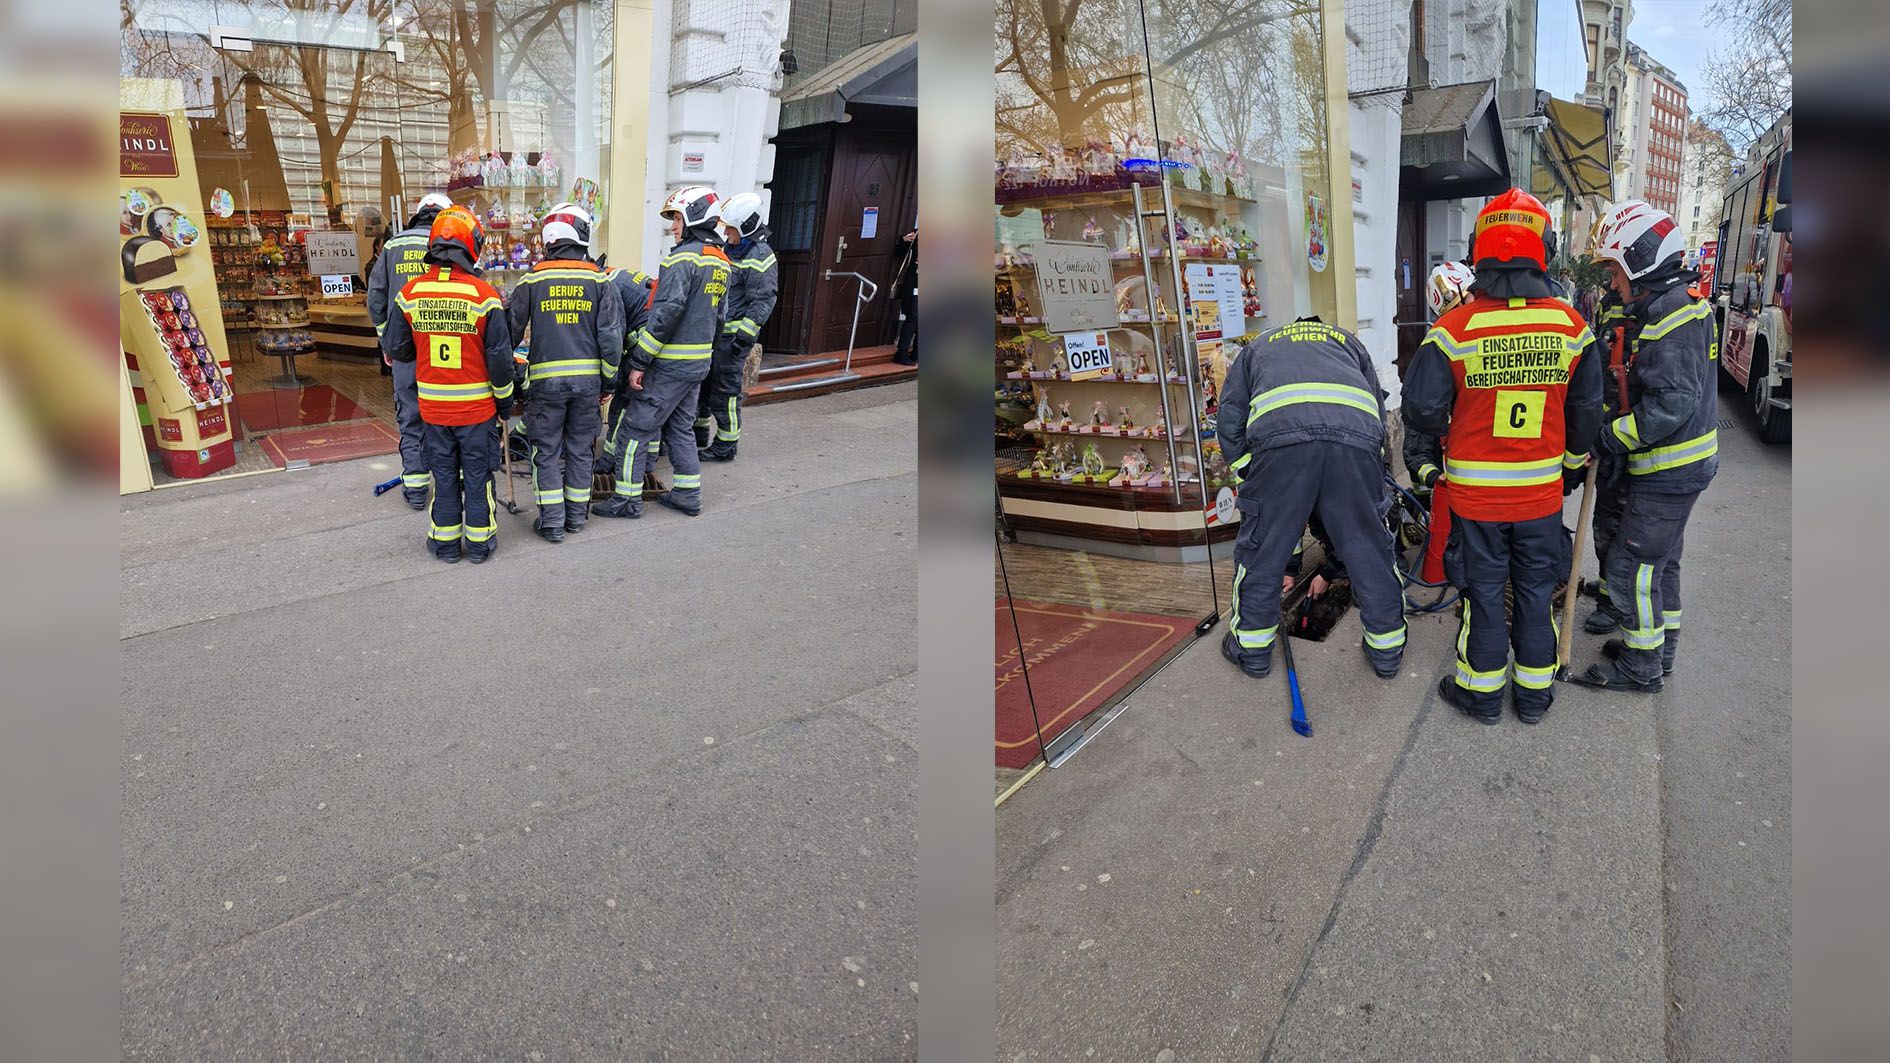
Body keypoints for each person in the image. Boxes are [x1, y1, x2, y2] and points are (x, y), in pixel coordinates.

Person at [1403, 188, 1603, 725]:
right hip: (1540, 498)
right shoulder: (1571, 327)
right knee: (1536, 594)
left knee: (1484, 594)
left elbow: (1420, 412)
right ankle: (1534, 698)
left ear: (1479, 252)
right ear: (1546, 249)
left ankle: (1482, 695)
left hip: (1475, 500)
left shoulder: (1452, 330)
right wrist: (1567, 469)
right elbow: (1587, 415)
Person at [1571, 200, 1719, 691]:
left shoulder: (1672, 315)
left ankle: (1640, 667)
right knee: (1662, 562)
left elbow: (1670, 406)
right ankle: (1658, 649)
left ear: (1641, 260)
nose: (1614, 284)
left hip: (1669, 470)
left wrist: (1608, 437)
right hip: (1681, 469)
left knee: (1632, 565)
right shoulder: (1673, 306)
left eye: (1616, 269)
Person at [1216, 316, 1408, 682]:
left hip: (1280, 444)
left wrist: (1249, 473)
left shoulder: (1258, 346)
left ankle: (1252, 652)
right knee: (1369, 547)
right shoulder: (1347, 342)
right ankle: (1387, 652)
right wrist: (1373, 472)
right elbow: (1375, 407)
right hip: (1354, 443)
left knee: (1262, 548)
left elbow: (1230, 418)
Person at [380, 206, 516, 564]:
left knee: (442, 477)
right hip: (476, 413)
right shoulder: (485, 296)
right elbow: (500, 362)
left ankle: (444, 545)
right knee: (477, 477)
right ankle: (480, 545)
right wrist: (505, 404)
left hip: (434, 412)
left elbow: (396, 348)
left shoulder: (410, 293)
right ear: (472, 246)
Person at [593, 186, 731, 519]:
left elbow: (665, 314)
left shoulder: (682, 259)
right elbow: (721, 318)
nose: (673, 227)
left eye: (678, 219)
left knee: (633, 431)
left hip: (669, 365)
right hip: (698, 365)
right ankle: (688, 494)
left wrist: (639, 361)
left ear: (695, 217)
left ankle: (626, 501)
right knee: (680, 428)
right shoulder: (721, 261)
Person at [504, 203, 624, 542]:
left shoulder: (533, 278)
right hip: (588, 385)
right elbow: (611, 338)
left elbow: (508, 332)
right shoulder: (600, 279)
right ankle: (576, 519)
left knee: (547, 450)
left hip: (545, 387)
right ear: (580, 235)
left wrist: (507, 374)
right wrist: (609, 380)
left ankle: (553, 523)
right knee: (581, 449)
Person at [366, 191, 455, 509]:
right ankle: (447, 484)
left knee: (410, 414)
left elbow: (376, 298)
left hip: (404, 348)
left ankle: (416, 489)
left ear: (418, 213)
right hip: (446, 348)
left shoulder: (392, 246)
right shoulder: (451, 243)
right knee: (445, 413)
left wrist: (386, 339)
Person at [699, 192, 778, 462]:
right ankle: (699, 434)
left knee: (726, 392)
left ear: (745, 227)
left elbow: (763, 300)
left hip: (732, 340)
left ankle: (726, 444)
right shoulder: (729, 249)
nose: (726, 232)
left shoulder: (760, 255)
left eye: (730, 228)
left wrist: (744, 338)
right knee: (704, 386)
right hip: (714, 335)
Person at [891, 226, 917, 365]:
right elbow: (899, 251)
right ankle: (901, 353)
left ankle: (917, 354)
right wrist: (904, 240)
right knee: (913, 317)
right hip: (915, 284)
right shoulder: (917, 233)